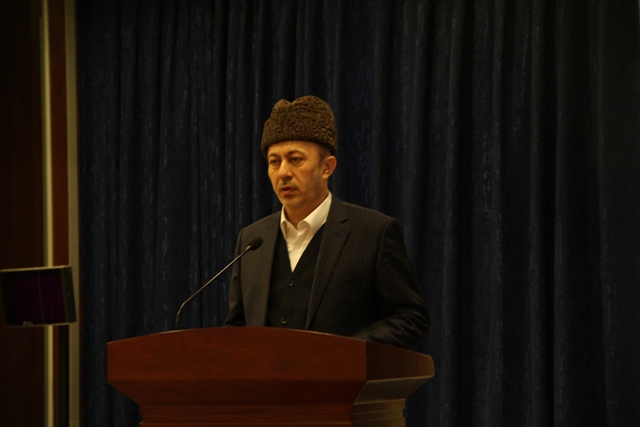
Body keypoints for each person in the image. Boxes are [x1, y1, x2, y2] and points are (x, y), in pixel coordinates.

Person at [224, 95, 429, 349]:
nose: (283, 172)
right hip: (265, 376)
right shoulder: (252, 240)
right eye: (274, 162)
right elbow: (237, 326)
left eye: (295, 159)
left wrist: (343, 353)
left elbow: (411, 318)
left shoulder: (374, 233)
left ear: (327, 167)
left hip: (343, 375)